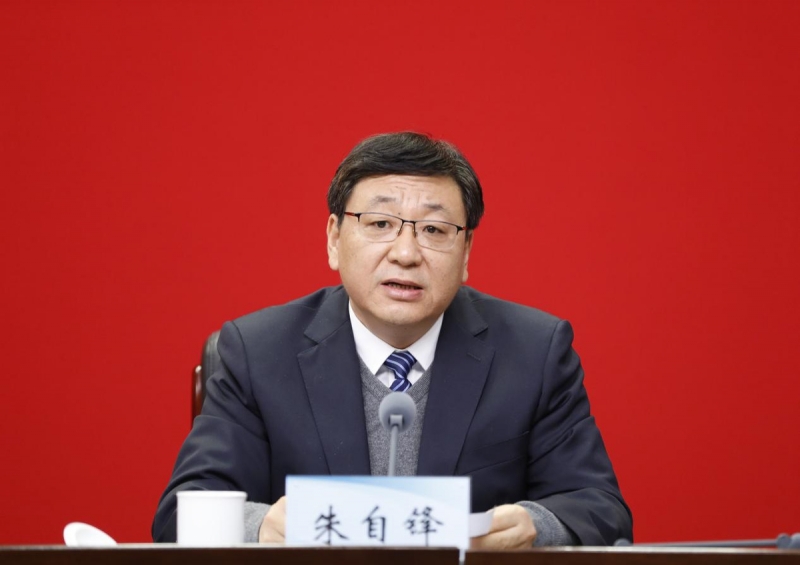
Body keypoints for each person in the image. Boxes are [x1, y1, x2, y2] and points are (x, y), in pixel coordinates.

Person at [152, 132, 633, 548]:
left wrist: (534, 525)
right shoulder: (258, 351)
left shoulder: (533, 352)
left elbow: (599, 508)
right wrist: (262, 526)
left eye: (434, 230)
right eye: (380, 224)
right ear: (334, 239)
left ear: (466, 251)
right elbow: (182, 511)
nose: (406, 253)